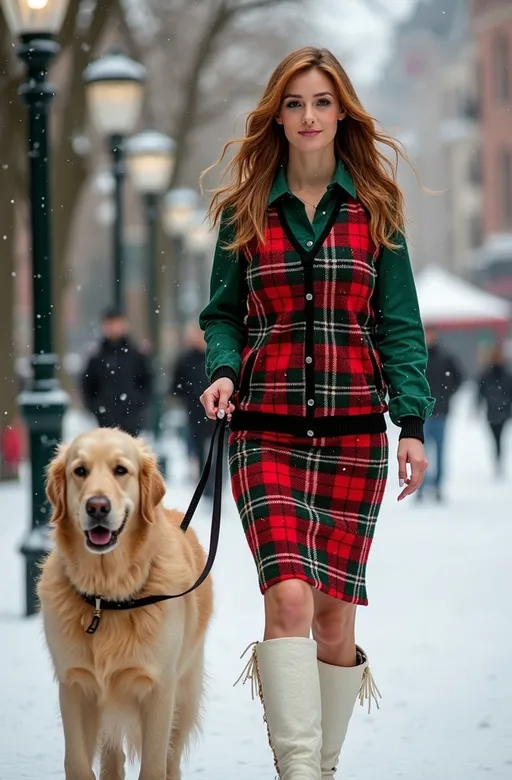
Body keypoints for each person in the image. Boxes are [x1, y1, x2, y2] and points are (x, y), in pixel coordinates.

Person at [199, 47, 434, 780]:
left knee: (334, 618)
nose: (307, 116)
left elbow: (399, 324)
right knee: (290, 601)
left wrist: (414, 424)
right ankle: (298, 773)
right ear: (278, 113)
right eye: (295, 102)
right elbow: (222, 314)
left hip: (354, 440)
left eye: (321, 102)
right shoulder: (245, 211)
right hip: (264, 434)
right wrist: (222, 368)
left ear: (342, 113)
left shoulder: (376, 209)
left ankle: (321, 770)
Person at [81, 307, 153, 438]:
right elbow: (88, 387)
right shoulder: (96, 357)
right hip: (105, 421)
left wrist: (137, 404)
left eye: (117, 323)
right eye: (110, 324)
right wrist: (97, 408)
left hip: (131, 420)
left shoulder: (136, 355)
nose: (114, 328)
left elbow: (147, 383)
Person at [417, 326, 463, 502]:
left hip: (441, 412)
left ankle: (437, 486)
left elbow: (460, 378)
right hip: (423, 414)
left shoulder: (446, 357)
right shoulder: (419, 357)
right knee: (421, 453)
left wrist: (446, 395)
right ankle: (420, 486)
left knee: (440, 452)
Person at [169, 322, 212, 479]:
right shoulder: (185, 359)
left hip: (214, 410)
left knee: (215, 448)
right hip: (194, 411)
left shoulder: (212, 356)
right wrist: (190, 394)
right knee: (197, 447)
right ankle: (203, 478)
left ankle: (214, 479)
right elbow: (176, 385)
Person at [477, 344, 512, 475]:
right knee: (496, 438)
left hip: (501, 410)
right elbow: (481, 391)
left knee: (498, 437)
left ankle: (498, 460)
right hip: (494, 410)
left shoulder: (504, 374)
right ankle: (497, 460)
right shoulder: (488, 374)